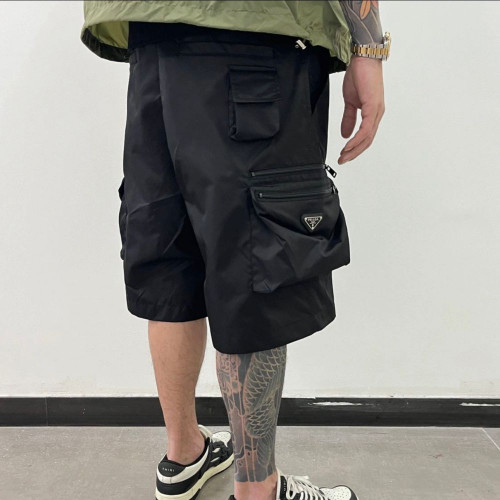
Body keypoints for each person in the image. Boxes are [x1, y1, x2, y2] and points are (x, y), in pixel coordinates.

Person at [81, 2, 389, 499]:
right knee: (257, 260)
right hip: (255, 32)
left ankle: (184, 455)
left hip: (150, 36)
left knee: (169, 252)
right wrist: (369, 48)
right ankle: (258, 489)